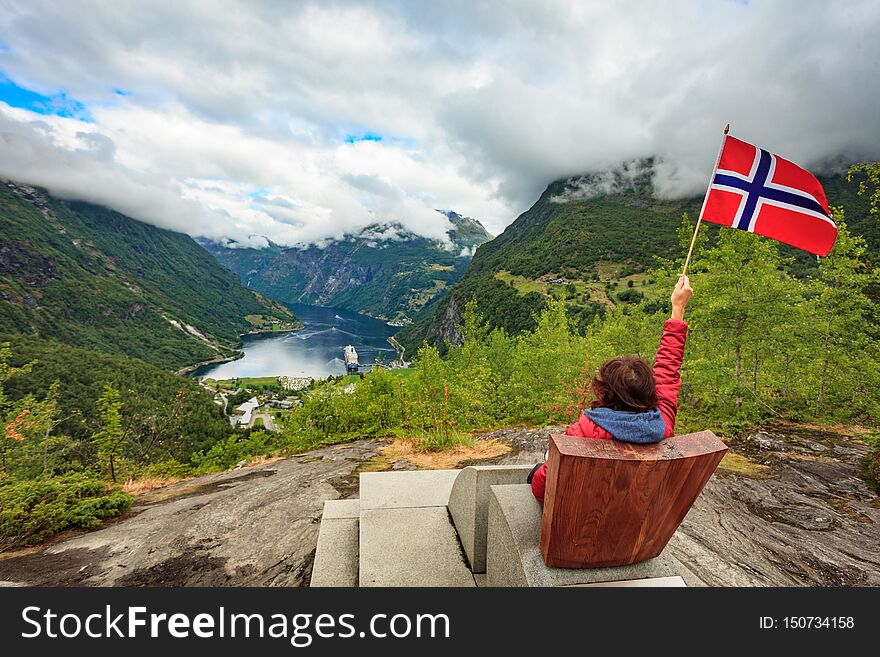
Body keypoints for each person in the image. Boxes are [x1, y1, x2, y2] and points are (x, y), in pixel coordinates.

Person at [528, 274, 694, 505]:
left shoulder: (584, 431)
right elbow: (668, 369)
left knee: (536, 472)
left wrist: (541, 470)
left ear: (606, 393)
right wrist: (678, 310)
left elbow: (541, 488)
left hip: (584, 522)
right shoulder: (662, 422)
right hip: (632, 517)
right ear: (650, 393)